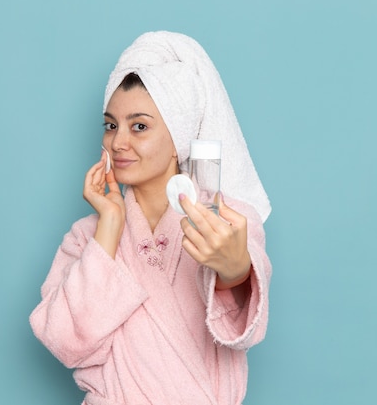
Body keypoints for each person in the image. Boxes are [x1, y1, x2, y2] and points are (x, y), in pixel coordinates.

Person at [30, 31, 272, 405]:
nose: (118, 142)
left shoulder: (226, 218)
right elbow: (65, 342)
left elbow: (244, 323)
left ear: (179, 138)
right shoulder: (86, 237)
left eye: (139, 126)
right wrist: (109, 226)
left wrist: (236, 269)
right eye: (111, 125)